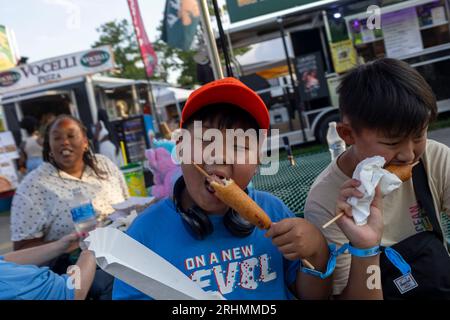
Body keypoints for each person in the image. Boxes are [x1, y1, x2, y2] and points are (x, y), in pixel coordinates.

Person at [113, 77, 383, 300]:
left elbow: (313, 297)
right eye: (206, 139)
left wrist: (316, 252)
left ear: (257, 161)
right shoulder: (144, 234)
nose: (219, 156)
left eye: (240, 146)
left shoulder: (274, 211)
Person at [304, 58, 450, 298]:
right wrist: (365, 249)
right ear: (348, 134)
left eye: (418, 135)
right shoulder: (325, 202)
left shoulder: (433, 158)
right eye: (392, 142)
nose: (408, 154)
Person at [10, 114, 129, 299]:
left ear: (85, 142)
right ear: (49, 147)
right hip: (76, 268)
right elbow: (21, 249)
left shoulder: (105, 166)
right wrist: (66, 244)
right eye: (57, 138)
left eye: (71, 136)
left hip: (124, 249)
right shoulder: (33, 186)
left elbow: (127, 202)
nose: (64, 142)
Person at [0, 232, 96, 300]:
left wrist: (58, 246)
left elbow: (4, 262)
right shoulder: (11, 284)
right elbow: (72, 291)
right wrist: (90, 250)